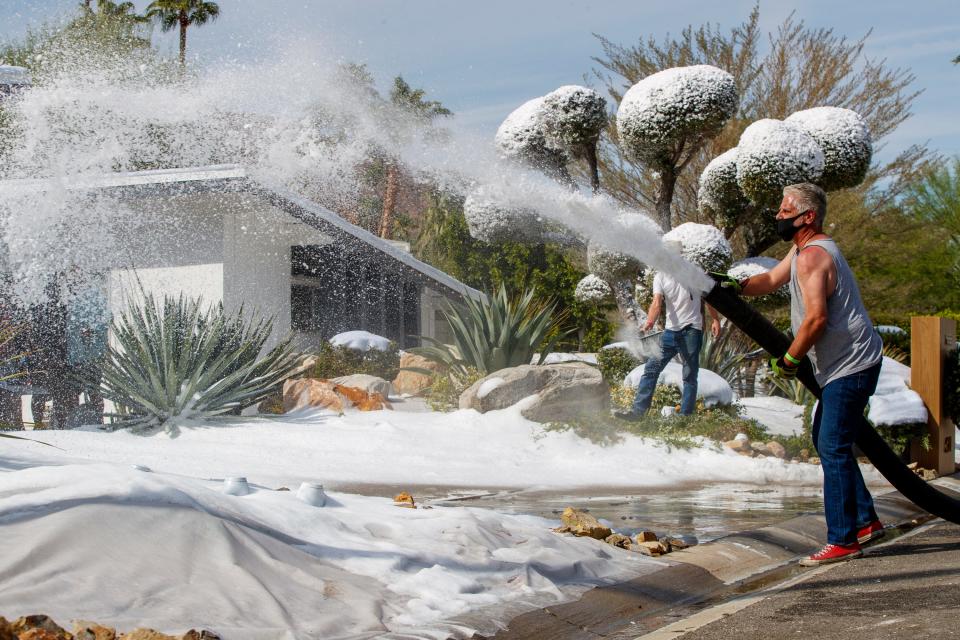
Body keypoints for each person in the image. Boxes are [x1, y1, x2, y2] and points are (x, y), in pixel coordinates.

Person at [718, 183, 885, 566]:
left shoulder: (812, 257)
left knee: (833, 446)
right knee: (828, 440)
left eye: (785, 210)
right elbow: (771, 281)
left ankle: (843, 540)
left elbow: (816, 319)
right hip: (851, 362)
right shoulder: (801, 250)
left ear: (807, 216)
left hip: (851, 364)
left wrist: (790, 359)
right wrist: (736, 285)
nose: (778, 215)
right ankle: (864, 521)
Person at [616, 240, 721, 420]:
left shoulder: (693, 272)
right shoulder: (661, 276)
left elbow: (708, 297)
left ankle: (685, 416)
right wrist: (649, 322)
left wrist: (716, 319)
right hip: (670, 333)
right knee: (651, 370)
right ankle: (638, 413)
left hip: (691, 330)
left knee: (689, 374)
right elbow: (657, 303)